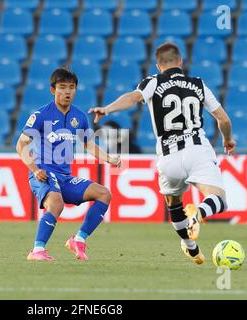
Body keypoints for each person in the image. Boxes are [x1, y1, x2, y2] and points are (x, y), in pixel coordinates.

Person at [89, 43, 236, 265]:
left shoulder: (152, 82)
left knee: (174, 204)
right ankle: (198, 215)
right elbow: (223, 120)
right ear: (181, 62)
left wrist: (107, 109)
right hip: (197, 150)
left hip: (168, 157)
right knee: (218, 199)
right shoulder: (198, 85)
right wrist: (227, 139)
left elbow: (133, 98)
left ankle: (191, 248)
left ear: (158, 66)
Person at [16, 67, 121, 261]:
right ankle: (37, 251)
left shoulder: (79, 117)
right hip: (44, 173)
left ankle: (78, 240)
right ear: (52, 90)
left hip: (64, 176)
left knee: (104, 194)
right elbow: (20, 144)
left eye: (71, 87)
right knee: (56, 203)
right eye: (62, 87)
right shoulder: (40, 115)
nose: (67, 92)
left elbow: (89, 145)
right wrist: (35, 169)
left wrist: (110, 158)